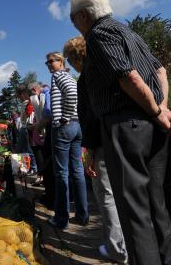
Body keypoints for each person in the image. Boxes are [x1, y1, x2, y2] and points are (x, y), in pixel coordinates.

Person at [69, 0, 171, 265]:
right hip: (151, 127)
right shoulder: (130, 33)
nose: (74, 24)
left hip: (126, 127)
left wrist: (157, 111)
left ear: (84, 15)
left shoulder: (98, 35)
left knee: (134, 210)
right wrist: (162, 110)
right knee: (155, 203)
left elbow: (129, 78)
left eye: (73, 18)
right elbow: (160, 70)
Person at [64, 35, 128, 264]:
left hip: (103, 140)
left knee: (106, 194)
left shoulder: (85, 80)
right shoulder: (112, 68)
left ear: (74, 59)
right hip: (128, 135)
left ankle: (117, 249)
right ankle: (137, 246)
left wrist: (88, 152)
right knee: (130, 194)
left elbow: (89, 118)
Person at [45, 51, 88, 229]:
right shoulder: (70, 77)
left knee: (61, 173)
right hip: (76, 127)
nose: (49, 65)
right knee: (77, 171)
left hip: (64, 127)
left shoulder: (58, 76)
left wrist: (64, 117)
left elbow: (71, 95)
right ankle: (82, 215)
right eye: (47, 62)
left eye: (52, 61)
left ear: (61, 62)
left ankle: (61, 219)